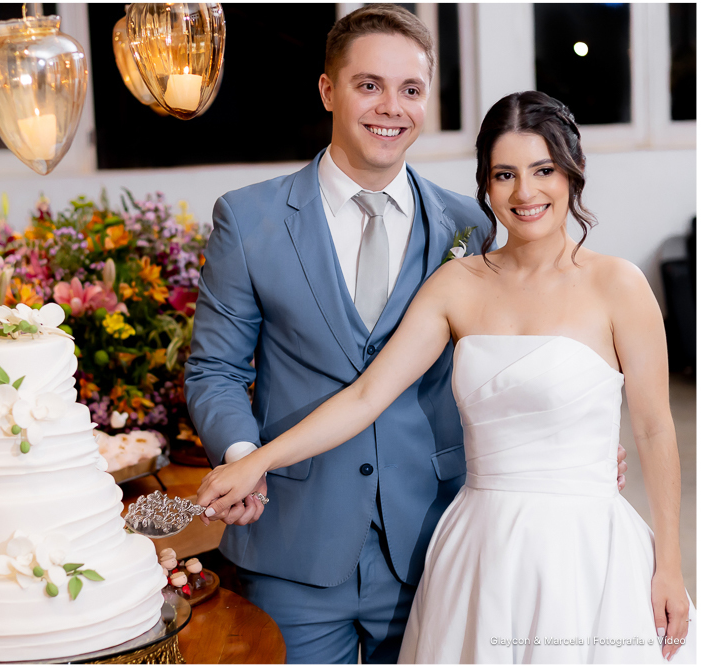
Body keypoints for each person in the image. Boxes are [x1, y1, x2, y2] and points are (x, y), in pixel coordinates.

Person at [183, 5, 630, 663]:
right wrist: (244, 454)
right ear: (328, 90)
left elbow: (520, 339)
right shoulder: (249, 220)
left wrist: (566, 436)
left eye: (411, 89)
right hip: (295, 539)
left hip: (438, 537)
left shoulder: (470, 224)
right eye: (369, 85)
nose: (391, 107)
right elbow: (215, 369)